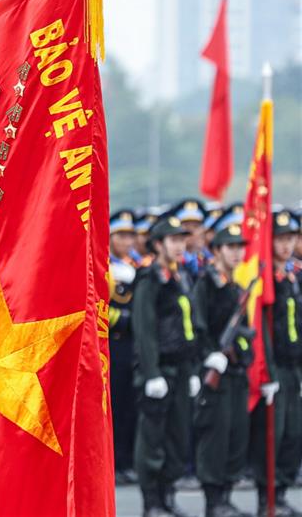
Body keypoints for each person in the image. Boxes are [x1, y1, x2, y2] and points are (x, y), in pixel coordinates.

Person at [132, 213, 197, 517]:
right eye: (173, 240)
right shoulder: (149, 277)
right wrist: (151, 373)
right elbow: (144, 328)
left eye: (182, 239)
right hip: (160, 370)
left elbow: (189, 325)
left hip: (182, 368)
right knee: (153, 437)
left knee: (178, 434)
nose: (179, 245)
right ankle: (152, 501)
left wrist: (194, 368)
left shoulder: (181, 275)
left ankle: (168, 493)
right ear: (157, 244)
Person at [190, 211, 251, 517]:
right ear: (217, 251)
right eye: (231, 247)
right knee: (214, 438)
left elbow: (246, 332)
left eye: (241, 247)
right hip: (215, 373)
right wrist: (208, 356)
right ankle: (213, 502)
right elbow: (197, 325)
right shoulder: (206, 284)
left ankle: (226, 495)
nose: (238, 253)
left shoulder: (236, 288)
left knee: (236, 436)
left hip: (236, 375)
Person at [251, 210, 302, 516]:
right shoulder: (265, 279)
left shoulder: (295, 275)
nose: (286, 245)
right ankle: (265, 496)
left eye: (291, 238)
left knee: (295, 433)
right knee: (273, 432)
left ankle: (282, 491)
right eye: (280, 239)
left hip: (295, 366)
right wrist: (266, 368)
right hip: (274, 366)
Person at [108, 209, 139, 484]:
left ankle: (128, 461)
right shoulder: (104, 265)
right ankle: (114, 462)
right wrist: (125, 319)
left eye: (130, 235)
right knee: (115, 405)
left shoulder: (136, 265)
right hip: (113, 343)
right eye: (121, 235)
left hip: (133, 344)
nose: (127, 241)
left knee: (130, 406)